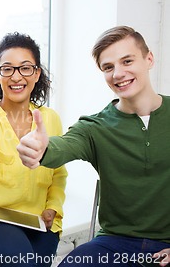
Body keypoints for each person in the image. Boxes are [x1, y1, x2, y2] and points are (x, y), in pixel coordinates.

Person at [17, 25, 170, 267]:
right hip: (114, 244)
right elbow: (64, 146)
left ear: (148, 59)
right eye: (108, 67)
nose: (118, 74)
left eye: (127, 61)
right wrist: (41, 148)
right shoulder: (95, 127)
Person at [0, 32, 67, 267]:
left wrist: (53, 208)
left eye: (25, 68)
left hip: (38, 222)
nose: (16, 76)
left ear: (37, 73)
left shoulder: (50, 119)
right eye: (7, 69)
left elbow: (58, 174)